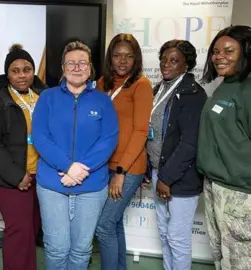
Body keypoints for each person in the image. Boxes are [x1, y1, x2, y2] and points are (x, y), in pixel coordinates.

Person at [32, 41, 119, 269]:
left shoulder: (102, 101)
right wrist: (68, 166)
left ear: (90, 68)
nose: (77, 67)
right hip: (53, 184)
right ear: (63, 67)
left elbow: (108, 139)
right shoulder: (47, 98)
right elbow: (40, 137)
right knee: (57, 249)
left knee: (81, 251)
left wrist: (81, 169)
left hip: (91, 185)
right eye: (71, 63)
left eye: (82, 63)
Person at [197, 25, 251, 270]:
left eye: (228, 51)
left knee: (242, 264)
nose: (219, 57)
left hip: (243, 193)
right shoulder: (226, 85)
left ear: (246, 53)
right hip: (216, 185)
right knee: (223, 259)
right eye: (215, 51)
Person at [0, 44, 46, 270]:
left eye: (27, 69)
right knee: (19, 229)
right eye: (15, 70)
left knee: (32, 229)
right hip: (10, 177)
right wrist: (17, 175)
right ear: (8, 74)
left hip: (41, 174)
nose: (22, 75)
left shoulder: (44, 96)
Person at [94, 33, 153, 270]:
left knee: (104, 226)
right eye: (117, 55)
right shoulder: (101, 84)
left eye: (128, 56)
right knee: (115, 223)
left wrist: (121, 171)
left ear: (136, 59)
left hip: (128, 167)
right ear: (110, 58)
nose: (122, 61)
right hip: (103, 165)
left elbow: (140, 131)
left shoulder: (141, 85)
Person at [146, 39, 207, 270]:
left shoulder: (193, 94)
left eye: (174, 60)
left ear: (186, 65)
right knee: (164, 233)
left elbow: (189, 143)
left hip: (178, 178)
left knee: (177, 238)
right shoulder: (159, 88)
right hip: (157, 172)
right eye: (163, 59)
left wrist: (166, 178)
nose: (166, 64)